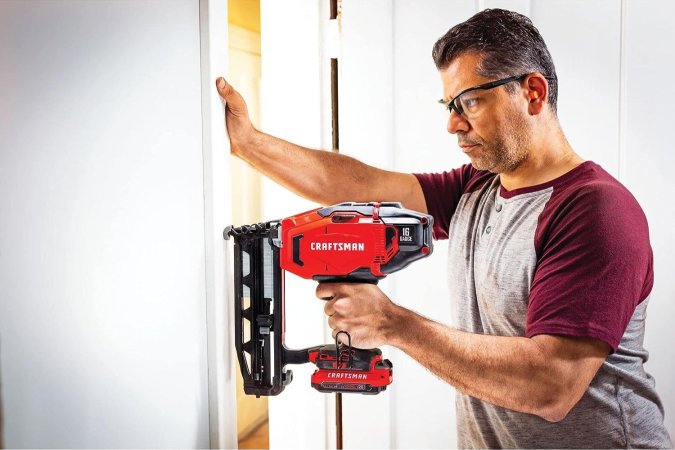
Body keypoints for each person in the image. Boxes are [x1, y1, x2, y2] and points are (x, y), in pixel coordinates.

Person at [216, 8, 671, 448]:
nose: (453, 124)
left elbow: (550, 386)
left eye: (469, 101)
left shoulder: (595, 211)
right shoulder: (477, 187)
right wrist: (249, 143)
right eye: (449, 104)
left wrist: (392, 324)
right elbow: (354, 184)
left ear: (533, 92)